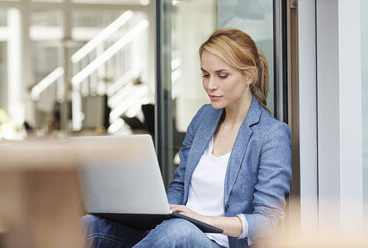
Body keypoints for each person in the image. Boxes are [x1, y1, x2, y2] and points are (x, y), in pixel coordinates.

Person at [83, 28, 291, 248]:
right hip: (173, 232)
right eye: (205, 74)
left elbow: (269, 221)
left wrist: (203, 220)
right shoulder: (204, 117)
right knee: (89, 225)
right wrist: (159, 211)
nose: (211, 85)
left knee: (180, 230)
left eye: (222, 75)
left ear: (249, 75)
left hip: (216, 241)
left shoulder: (271, 134)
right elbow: (180, 186)